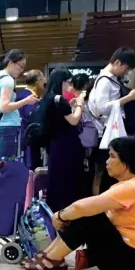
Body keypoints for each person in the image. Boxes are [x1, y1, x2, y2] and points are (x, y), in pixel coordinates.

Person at [22, 137, 135, 270]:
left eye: (112, 157)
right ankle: (50, 256)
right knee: (83, 214)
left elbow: (82, 208)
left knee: (88, 215)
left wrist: (59, 216)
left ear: (126, 162)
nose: (107, 162)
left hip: (134, 263)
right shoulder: (133, 185)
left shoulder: (132, 188)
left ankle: (52, 259)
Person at [87, 47, 135, 194]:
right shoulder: (105, 81)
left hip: (110, 131)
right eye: (126, 68)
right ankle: (104, 205)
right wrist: (128, 98)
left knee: (108, 172)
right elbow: (101, 108)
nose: (127, 72)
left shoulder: (111, 80)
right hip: (107, 132)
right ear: (117, 62)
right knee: (107, 172)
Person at [42, 68, 88, 212]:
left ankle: (55, 216)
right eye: (68, 82)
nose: (70, 85)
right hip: (66, 146)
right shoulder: (59, 99)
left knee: (57, 183)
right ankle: (67, 216)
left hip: (55, 145)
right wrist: (80, 103)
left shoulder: (48, 98)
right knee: (68, 183)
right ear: (61, 82)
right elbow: (73, 120)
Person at [0, 50, 39, 159]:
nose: (22, 70)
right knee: (7, 166)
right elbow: (4, 107)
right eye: (21, 66)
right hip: (8, 127)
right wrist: (26, 101)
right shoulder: (8, 80)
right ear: (11, 63)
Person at [16, 69, 45, 170]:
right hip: (29, 141)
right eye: (42, 81)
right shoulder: (30, 98)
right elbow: (32, 118)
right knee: (30, 169)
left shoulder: (20, 95)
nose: (44, 84)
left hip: (21, 140)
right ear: (38, 81)